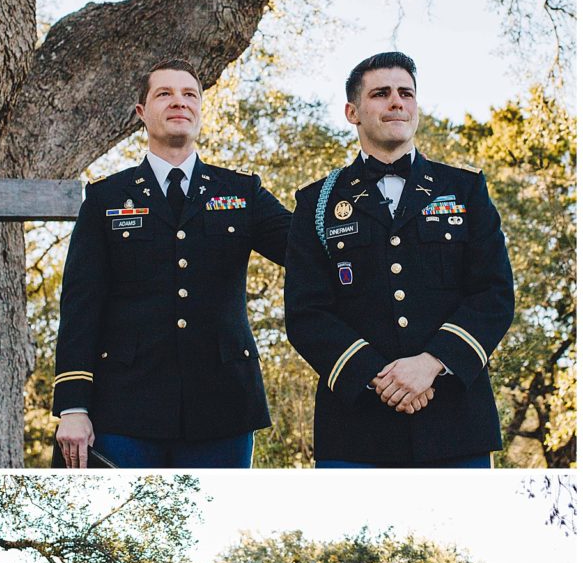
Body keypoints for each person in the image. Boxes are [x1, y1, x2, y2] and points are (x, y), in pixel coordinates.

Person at [53, 58, 291, 469]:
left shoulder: (242, 191)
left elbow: (307, 250)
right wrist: (73, 405)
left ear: (200, 110)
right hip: (125, 407)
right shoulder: (107, 197)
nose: (179, 102)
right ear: (142, 113)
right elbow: (80, 304)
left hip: (224, 406)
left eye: (189, 94)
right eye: (164, 93)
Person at [284, 50, 514, 468]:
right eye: (381, 93)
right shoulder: (316, 203)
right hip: (355, 428)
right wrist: (380, 376)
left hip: (456, 423)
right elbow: (306, 312)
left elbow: (494, 293)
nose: (396, 102)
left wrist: (429, 365)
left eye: (406, 93)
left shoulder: (465, 189)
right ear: (352, 111)